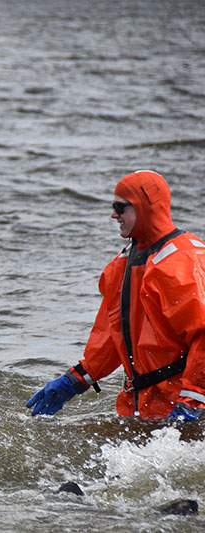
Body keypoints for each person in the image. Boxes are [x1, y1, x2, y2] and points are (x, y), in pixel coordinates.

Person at [27, 170, 205, 421]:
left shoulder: (183, 260)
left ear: (145, 206)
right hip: (144, 405)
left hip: (186, 407)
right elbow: (111, 335)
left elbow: (204, 333)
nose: (113, 215)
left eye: (120, 207)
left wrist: (194, 400)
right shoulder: (123, 264)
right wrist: (75, 380)